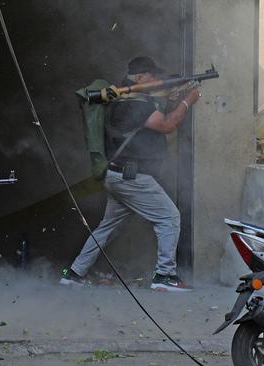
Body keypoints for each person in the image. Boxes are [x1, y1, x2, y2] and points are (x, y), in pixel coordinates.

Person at [60, 56, 201, 292]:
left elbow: (153, 119)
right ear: (140, 77)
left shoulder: (126, 99)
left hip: (119, 176)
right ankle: (165, 276)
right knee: (169, 218)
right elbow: (166, 125)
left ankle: (74, 273)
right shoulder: (134, 103)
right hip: (132, 178)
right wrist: (188, 100)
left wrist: (174, 98)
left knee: (107, 227)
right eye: (153, 76)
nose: (157, 81)